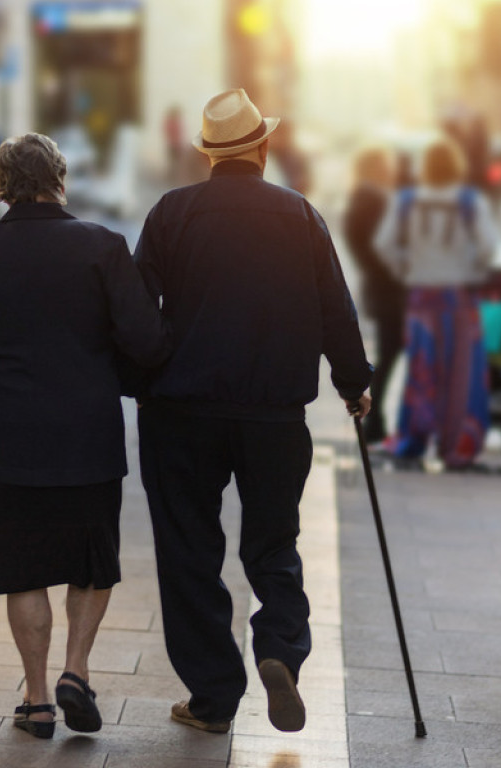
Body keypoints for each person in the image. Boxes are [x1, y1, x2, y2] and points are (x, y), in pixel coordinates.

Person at [133, 90, 371, 735]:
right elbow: (335, 311)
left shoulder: (172, 212)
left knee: (188, 551)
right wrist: (354, 384)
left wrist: (144, 378)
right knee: (273, 544)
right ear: (263, 148)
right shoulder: (299, 215)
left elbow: (134, 309)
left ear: (209, 154)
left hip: (180, 413)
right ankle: (279, 648)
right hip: (272, 414)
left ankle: (212, 698)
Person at [0, 134, 169, 740]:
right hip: (84, 430)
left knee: (22, 568)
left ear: (0, 185)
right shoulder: (101, 246)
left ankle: (37, 697)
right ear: (60, 176)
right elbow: (146, 341)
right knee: (90, 560)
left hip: (3, 434)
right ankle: (77, 670)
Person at [374, 136, 496, 469]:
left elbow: (384, 243)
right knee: (461, 373)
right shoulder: (471, 201)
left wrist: (405, 266)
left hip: (421, 296)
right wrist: (473, 269)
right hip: (457, 295)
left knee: (421, 368)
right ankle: (456, 443)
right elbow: (488, 246)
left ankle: (414, 436)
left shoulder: (406, 200)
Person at [343, 148, 404, 443]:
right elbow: (384, 244)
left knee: (390, 351)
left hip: (379, 285)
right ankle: (376, 420)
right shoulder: (376, 199)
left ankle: (377, 420)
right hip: (390, 287)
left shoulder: (361, 198)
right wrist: (392, 271)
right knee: (391, 351)